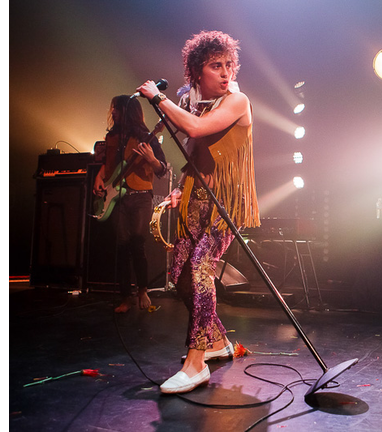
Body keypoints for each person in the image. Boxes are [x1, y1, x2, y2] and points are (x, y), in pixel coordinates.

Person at [135, 30, 260, 394]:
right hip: (196, 196)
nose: (224, 73)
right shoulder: (197, 103)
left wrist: (158, 99)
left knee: (202, 266)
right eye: (214, 66)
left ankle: (195, 363)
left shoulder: (237, 101)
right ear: (196, 72)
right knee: (181, 277)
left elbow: (196, 128)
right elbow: (194, 156)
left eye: (228, 65)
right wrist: (178, 190)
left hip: (225, 204)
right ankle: (218, 342)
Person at [93, 95, 167, 314]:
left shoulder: (146, 136)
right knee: (122, 245)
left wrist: (152, 159)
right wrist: (99, 177)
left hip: (141, 195)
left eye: (116, 107)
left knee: (137, 242)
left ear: (127, 110)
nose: (112, 111)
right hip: (117, 197)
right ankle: (126, 296)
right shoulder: (112, 136)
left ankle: (143, 289)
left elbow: (162, 169)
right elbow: (109, 165)